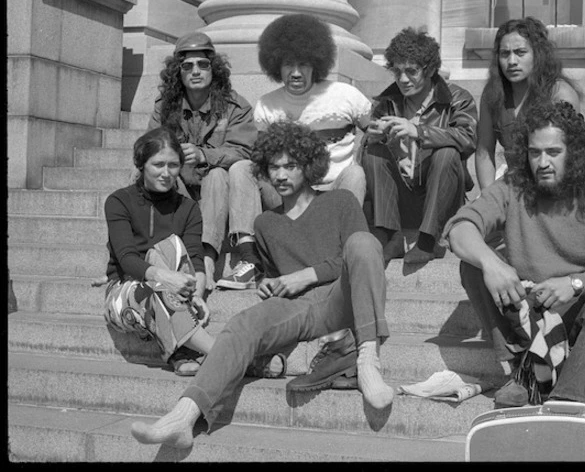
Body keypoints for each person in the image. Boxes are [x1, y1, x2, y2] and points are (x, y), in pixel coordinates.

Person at [130, 122, 393, 449]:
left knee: (365, 243)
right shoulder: (264, 224)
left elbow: (360, 260)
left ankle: (369, 359)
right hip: (299, 309)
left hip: (341, 299)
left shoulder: (340, 201)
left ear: (309, 166)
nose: (281, 176)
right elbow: (277, 279)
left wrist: (305, 275)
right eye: (274, 168)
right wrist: (270, 286)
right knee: (242, 323)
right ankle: (184, 416)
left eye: (291, 166)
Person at [443, 101, 585, 409]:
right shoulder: (513, 186)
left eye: (553, 152)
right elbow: (459, 228)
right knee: (474, 266)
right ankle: (521, 371)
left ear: (573, 153)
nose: (543, 162)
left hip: (569, 310)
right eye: (535, 153)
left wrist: (572, 283)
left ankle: (569, 400)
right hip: (523, 307)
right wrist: (492, 263)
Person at [216, 13, 372, 290]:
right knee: (242, 169)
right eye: (289, 64)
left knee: (356, 174)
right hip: (286, 192)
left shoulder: (346, 95)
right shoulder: (266, 105)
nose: (296, 72)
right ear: (276, 65)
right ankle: (249, 258)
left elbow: (376, 132)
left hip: (333, 191)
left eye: (304, 64)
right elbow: (263, 159)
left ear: (317, 64)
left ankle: (344, 254)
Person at [148, 31, 262, 291]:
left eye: (203, 64)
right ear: (178, 72)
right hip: (181, 189)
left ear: (214, 69)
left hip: (219, 193)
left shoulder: (235, 106)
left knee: (218, 174)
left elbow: (246, 151)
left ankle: (208, 262)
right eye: (187, 66)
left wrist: (204, 155)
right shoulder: (164, 107)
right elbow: (149, 149)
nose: (196, 71)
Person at [101, 127, 215, 376]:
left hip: (174, 293)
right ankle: (223, 353)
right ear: (141, 165)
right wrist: (166, 278)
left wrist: (196, 294)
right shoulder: (119, 201)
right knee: (156, 291)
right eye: (158, 164)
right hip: (125, 293)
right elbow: (127, 258)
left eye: (173, 165)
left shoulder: (188, 208)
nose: (166, 173)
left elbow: (194, 257)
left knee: (172, 247)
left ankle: (181, 353)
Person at [361, 27, 477, 265]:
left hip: (440, 194)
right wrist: (370, 138)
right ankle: (391, 237)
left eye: (411, 71)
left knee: (446, 152)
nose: (403, 79)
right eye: (397, 71)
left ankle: (428, 240)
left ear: (431, 69)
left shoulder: (457, 98)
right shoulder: (387, 103)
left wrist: (419, 131)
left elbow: (467, 138)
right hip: (400, 197)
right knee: (373, 151)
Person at [475, 17, 582, 192]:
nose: (511, 62)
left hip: (553, 185)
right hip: (511, 183)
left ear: (538, 54)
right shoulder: (492, 94)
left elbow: (571, 155)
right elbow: (484, 150)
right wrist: (488, 198)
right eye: (504, 54)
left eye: (520, 52)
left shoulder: (560, 94)